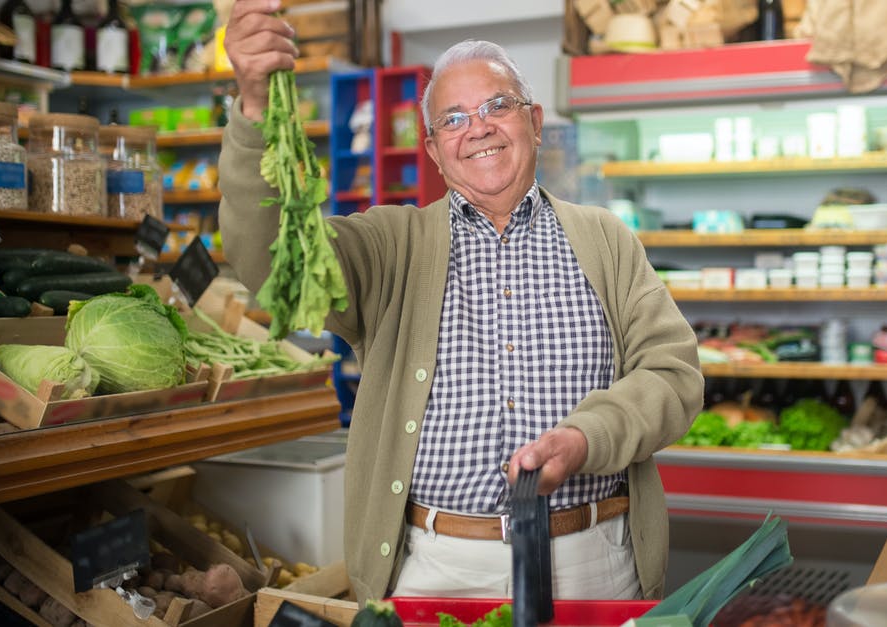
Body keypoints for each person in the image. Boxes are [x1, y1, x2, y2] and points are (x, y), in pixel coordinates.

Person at [220, 3, 703, 603]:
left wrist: (587, 437)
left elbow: (674, 374)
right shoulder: (390, 246)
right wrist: (258, 108)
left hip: (592, 559)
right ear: (432, 150)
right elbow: (273, 264)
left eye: (497, 106)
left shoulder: (605, 238)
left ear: (534, 120)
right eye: (453, 119)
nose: (478, 127)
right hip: (437, 567)